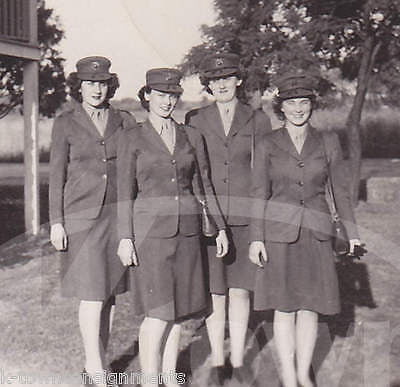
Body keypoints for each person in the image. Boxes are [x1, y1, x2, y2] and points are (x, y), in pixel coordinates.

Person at [116, 68, 229, 387]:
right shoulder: (131, 137)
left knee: (179, 310)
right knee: (158, 312)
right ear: (147, 96)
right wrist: (125, 237)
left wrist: (218, 226)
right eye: (161, 95)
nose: (167, 101)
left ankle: (170, 377)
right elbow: (125, 192)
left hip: (189, 233)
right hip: (150, 235)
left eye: (172, 95)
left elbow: (203, 183)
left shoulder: (192, 136)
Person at [248, 73, 362, 387]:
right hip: (278, 234)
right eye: (291, 102)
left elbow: (340, 189)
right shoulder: (267, 143)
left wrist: (351, 232)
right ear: (280, 107)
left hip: (317, 232)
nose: (298, 108)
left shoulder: (328, 141)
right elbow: (258, 192)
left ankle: (303, 374)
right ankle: (287, 375)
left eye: (304, 102)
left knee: (311, 307)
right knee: (284, 308)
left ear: (311, 105)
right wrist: (256, 237)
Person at [185, 53, 272, 385]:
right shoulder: (195, 118)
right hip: (210, 217)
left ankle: (237, 358)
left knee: (240, 291)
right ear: (209, 85)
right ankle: (218, 360)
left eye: (227, 78)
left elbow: (263, 172)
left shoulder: (258, 120)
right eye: (214, 79)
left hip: (245, 216)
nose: (220, 84)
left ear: (238, 81)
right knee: (215, 291)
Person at [49, 56, 135, 387]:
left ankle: (96, 363)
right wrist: (57, 221)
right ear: (79, 87)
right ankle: (98, 371)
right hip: (81, 217)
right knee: (92, 293)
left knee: (110, 293)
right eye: (89, 83)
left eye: (102, 83)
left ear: (109, 86)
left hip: (115, 216)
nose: (97, 89)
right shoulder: (65, 122)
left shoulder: (123, 119)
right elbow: (56, 176)